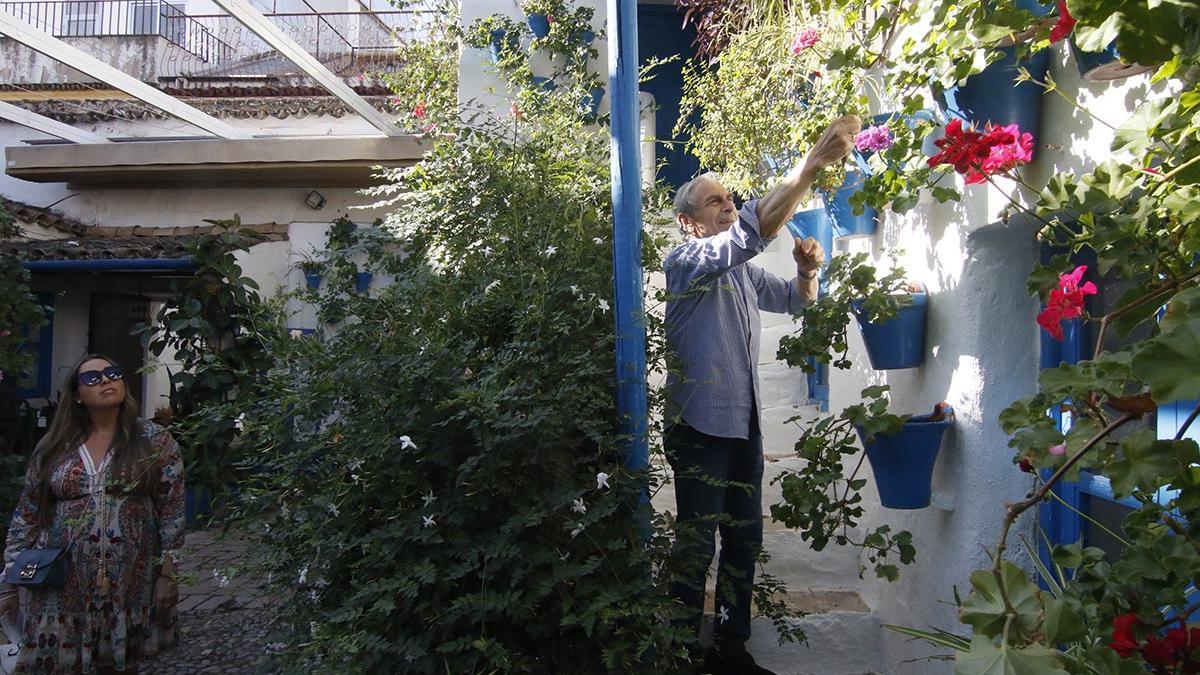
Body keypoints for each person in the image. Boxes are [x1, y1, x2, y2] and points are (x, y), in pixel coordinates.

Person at [664, 115, 861, 675]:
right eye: (714, 203)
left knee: (743, 542)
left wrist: (806, 274)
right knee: (696, 545)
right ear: (688, 223)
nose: (728, 206)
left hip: (743, 425)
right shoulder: (685, 263)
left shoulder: (742, 274)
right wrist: (809, 167)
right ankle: (680, 652)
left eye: (730, 198)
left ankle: (731, 651)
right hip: (700, 426)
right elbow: (752, 231)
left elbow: (797, 304)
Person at [1, 354, 185, 674]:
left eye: (112, 373)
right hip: (62, 587)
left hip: (131, 582)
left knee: (119, 664)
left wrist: (168, 575)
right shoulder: (55, 446)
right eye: (92, 378)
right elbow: (27, 515)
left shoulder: (154, 440)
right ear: (76, 394)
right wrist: (9, 583)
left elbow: (172, 510)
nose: (105, 381)